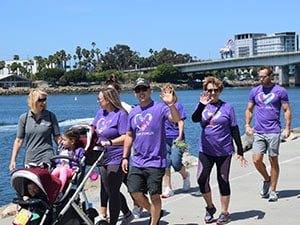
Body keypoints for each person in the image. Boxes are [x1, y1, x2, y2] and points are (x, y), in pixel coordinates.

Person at [121, 78, 180, 225]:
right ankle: (155, 213)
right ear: (135, 93)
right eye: (138, 90)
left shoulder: (160, 108)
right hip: (138, 160)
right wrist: (125, 157)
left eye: (144, 89)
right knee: (134, 192)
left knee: (154, 195)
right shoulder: (133, 112)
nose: (141, 92)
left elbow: (176, 119)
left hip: (156, 160)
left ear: (150, 91)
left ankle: (153, 222)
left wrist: (171, 104)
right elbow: (129, 136)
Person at [191, 76, 247, 224]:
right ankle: (210, 207)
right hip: (206, 150)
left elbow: (234, 129)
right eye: (210, 90)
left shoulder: (227, 107)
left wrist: (240, 151)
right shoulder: (203, 105)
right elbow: (195, 119)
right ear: (205, 91)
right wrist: (202, 105)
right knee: (201, 179)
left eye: (216, 90)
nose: (213, 93)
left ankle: (224, 212)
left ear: (220, 90)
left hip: (224, 151)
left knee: (222, 180)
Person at [245, 66, 291, 202]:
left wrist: (287, 128)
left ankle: (273, 190)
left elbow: (286, 110)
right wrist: (247, 125)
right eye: (259, 76)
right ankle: (267, 179)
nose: (261, 79)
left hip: (274, 131)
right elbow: (249, 110)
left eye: (263, 76)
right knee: (256, 160)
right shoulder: (254, 91)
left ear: (271, 76)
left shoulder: (280, 91)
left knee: (273, 160)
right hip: (258, 131)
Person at [92, 87, 134, 225]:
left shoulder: (121, 114)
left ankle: (113, 222)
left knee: (113, 189)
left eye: (100, 99)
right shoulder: (100, 113)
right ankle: (127, 213)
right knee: (109, 189)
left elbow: (126, 136)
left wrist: (109, 142)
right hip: (102, 156)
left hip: (117, 155)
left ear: (108, 100)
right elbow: (93, 130)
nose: (98, 101)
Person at [105, 74, 144, 219]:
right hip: (110, 154)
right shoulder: (106, 110)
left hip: (127, 151)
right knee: (114, 184)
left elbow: (132, 131)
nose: (109, 94)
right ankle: (121, 210)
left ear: (118, 92)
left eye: (112, 91)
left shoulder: (126, 109)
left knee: (129, 182)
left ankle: (138, 204)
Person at [9, 89, 60, 171]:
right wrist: (13, 160)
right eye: (40, 100)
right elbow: (18, 141)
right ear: (33, 101)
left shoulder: (51, 116)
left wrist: (64, 154)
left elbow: (57, 138)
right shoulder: (24, 118)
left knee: (43, 178)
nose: (44, 103)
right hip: (30, 159)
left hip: (46, 156)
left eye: (45, 100)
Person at [161, 83, 191, 198]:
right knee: (166, 163)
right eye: (165, 92)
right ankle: (168, 188)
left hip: (179, 138)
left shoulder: (178, 105)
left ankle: (185, 175)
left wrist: (179, 135)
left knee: (176, 162)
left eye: (169, 92)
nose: (167, 94)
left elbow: (181, 121)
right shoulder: (161, 107)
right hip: (164, 139)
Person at [51, 127, 84, 192]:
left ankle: (59, 190)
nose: (62, 142)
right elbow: (57, 160)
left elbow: (80, 162)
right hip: (61, 167)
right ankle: (50, 187)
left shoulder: (79, 151)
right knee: (55, 171)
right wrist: (59, 163)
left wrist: (76, 169)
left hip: (71, 170)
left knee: (63, 170)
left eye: (64, 140)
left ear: (72, 141)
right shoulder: (63, 151)